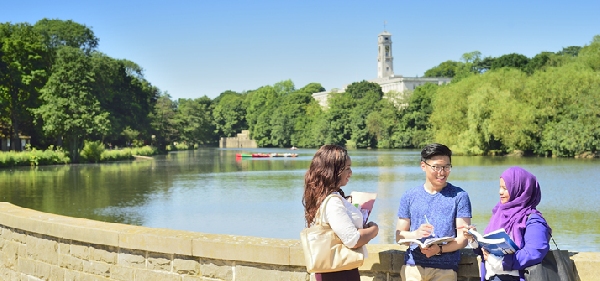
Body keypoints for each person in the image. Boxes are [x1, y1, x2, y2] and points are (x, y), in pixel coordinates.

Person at [396, 143, 472, 281]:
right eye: (436, 167)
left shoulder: (460, 196)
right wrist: (415, 234)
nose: (442, 172)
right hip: (413, 268)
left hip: (445, 269)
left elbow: (463, 239)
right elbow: (399, 236)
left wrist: (440, 249)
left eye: (446, 167)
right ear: (423, 166)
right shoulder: (409, 196)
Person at [302, 144, 379, 281]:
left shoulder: (323, 197)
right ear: (333, 170)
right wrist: (373, 230)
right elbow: (353, 240)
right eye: (347, 168)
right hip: (338, 273)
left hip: (333, 270)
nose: (350, 173)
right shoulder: (333, 202)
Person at [465, 166, 550, 281]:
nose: (500, 192)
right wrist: (474, 240)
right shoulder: (499, 213)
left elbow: (534, 252)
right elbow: (488, 252)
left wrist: (502, 263)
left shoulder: (533, 220)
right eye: (500, 187)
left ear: (520, 190)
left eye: (505, 188)